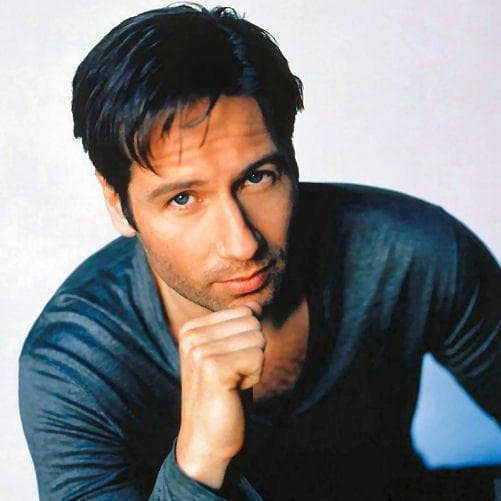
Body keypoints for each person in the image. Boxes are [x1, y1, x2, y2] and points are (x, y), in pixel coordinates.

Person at [19, 4, 499, 500]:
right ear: (117, 203)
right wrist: (198, 462)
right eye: (182, 198)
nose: (242, 243)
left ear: (291, 159)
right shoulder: (72, 365)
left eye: (257, 177)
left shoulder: (414, 257)